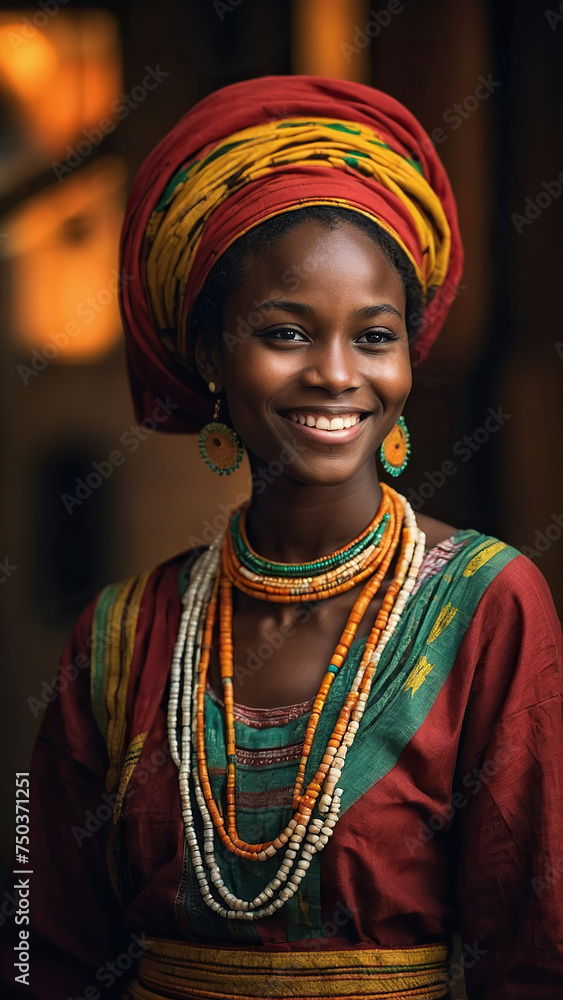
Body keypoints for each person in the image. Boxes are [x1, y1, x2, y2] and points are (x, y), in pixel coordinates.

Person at [1, 76, 562, 1000]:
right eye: (286, 333)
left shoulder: (485, 607)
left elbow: (535, 958)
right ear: (210, 357)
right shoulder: (119, 638)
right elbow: (37, 947)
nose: (336, 375)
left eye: (373, 336)